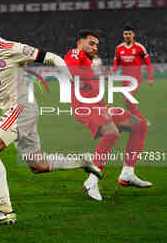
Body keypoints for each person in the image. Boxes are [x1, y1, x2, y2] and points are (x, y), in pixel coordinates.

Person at [0, 19, 102, 225]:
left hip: (20, 109)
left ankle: (5, 211)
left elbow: (51, 57)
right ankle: (83, 160)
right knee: (38, 166)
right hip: (19, 111)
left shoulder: (13, 48)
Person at [64, 30, 152, 202]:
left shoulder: (91, 61)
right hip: (85, 107)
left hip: (101, 107)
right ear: (79, 42)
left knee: (139, 125)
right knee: (111, 133)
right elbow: (71, 71)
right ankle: (92, 180)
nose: (95, 47)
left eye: (97, 44)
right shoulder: (75, 53)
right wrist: (95, 75)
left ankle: (127, 173)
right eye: (91, 43)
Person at [113, 25, 153, 121]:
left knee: (128, 98)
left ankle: (139, 120)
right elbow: (116, 63)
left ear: (133, 35)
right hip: (124, 80)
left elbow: (148, 63)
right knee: (127, 102)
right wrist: (113, 73)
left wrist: (150, 77)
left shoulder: (139, 47)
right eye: (126, 34)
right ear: (123, 35)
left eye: (129, 34)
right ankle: (138, 120)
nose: (127, 35)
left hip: (135, 78)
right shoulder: (119, 48)